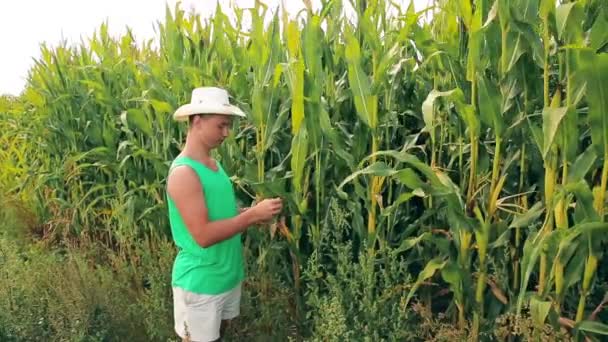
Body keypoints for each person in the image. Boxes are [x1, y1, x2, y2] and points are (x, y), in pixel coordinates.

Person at [166, 86, 283, 341]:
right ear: (197, 121)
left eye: (228, 126)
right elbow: (203, 235)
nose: (227, 133)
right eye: (221, 125)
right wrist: (250, 217)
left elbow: (220, 215)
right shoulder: (185, 174)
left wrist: (252, 213)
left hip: (226, 275)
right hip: (201, 283)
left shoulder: (213, 165)